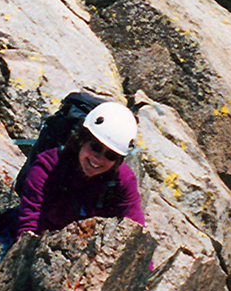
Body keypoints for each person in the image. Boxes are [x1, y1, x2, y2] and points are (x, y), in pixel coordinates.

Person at [16, 100, 145, 236]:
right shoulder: (48, 167)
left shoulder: (123, 180)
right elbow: (30, 224)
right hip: (44, 235)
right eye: (95, 147)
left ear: (118, 161)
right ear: (81, 140)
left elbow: (135, 231)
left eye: (111, 155)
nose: (98, 159)